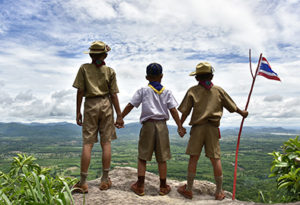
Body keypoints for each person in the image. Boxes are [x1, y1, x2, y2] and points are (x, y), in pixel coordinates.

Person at [176, 62, 248, 200]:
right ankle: (219, 192)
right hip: (213, 129)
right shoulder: (219, 90)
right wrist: (242, 113)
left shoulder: (192, 91)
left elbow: (185, 111)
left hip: (197, 129)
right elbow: (233, 107)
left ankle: (189, 190)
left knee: (193, 158)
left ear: (197, 78)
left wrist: (180, 126)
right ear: (211, 75)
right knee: (216, 159)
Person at [120, 63, 186, 196]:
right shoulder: (167, 92)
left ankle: (140, 186)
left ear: (146, 77)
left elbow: (130, 105)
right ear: (161, 76)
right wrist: (179, 126)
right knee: (162, 158)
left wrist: (120, 117)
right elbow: (173, 110)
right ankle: (163, 187)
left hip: (148, 126)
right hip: (162, 126)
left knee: (142, 156)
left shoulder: (143, 91)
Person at [72, 41, 124, 193]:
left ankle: (83, 182)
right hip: (106, 105)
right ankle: (104, 180)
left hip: (90, 105)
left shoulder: (84, 68)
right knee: (106, 143)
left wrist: (78, 112)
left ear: (91, 55)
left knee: (88, 143)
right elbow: (113, 94)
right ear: (105, 55)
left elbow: (80, 91)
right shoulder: (110, 71)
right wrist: (119, 115)